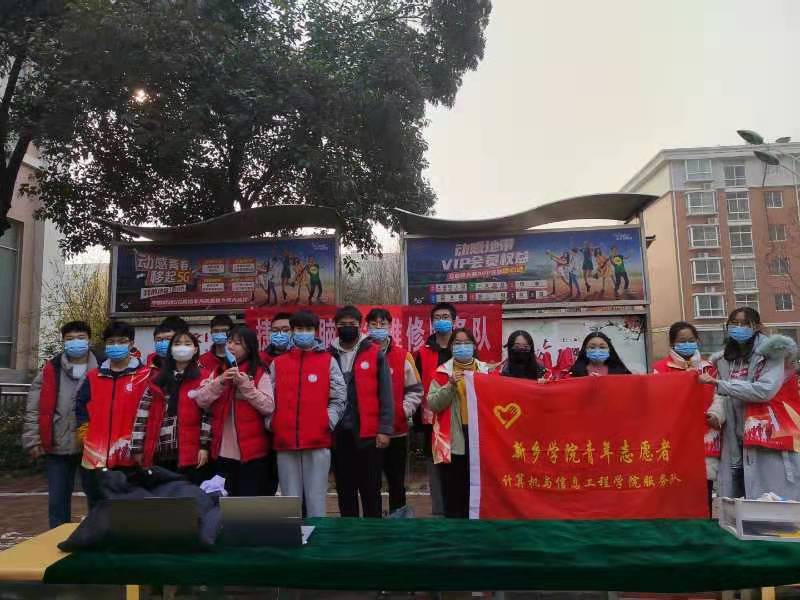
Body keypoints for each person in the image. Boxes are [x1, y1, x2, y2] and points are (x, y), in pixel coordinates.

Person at [701, 308, 800, 500]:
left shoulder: (773, 353)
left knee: (772, 498)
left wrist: (721, 384)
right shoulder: (723, 359)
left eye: (745, 323)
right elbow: (721, 396)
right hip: (734, 438)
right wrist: (716, 414)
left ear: (757, 326)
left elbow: (764, 391)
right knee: (739, 499)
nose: (739, 328)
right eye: (734, 323)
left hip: (769, 434)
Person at [269, 311, 347, 517]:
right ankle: (292, 534)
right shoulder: (278, 363)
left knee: (316, 498)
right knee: (290, 500)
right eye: (299, 329)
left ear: (316, 331)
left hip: (318, 441)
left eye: (308, 329)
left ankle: (318, 535)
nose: (304, 333)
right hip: (285, 442)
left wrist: (327, 421)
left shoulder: (327, 360)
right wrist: (272, 422)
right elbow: (268, 398)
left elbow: (340, 396)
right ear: (292, 331)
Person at [22, 321, 100, 528]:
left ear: (89, 340)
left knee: (98, 500)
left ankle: (98, 539)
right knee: (57, 503)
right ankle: (57, 541)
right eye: (70, 339)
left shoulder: (103, 367)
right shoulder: (51, 369)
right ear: (63, 342)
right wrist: (33, 439)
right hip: (58, 444)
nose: (76, 342)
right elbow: (34, 407)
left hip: (93, 446)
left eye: (81, 338)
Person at [75, 321, 153, 505]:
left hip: (130, 459)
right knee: (97, 510)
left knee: (128, 512)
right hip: (95, 459)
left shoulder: (145, 376)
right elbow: (80, 406)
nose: (116, 345)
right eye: (111, 342)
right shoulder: (93, 376)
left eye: (122, 341)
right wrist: (85, 434)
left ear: (131, 344)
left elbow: (153, 413)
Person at [329, 305, 394, 518]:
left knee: (370, 489)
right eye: (343, 324)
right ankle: (349, 531)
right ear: (335, 326)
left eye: (352, 324)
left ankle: (373, 531)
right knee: (345, 488)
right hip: (338, 434)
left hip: (368, 433)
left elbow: (386, 394)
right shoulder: (327, 355)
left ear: (360, 326)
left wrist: (385, 429)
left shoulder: (374, 353)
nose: (347, 328)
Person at [194, 325, 274, 496]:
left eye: (237, 343)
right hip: (221, 452)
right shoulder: (218, 371)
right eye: (229, 342)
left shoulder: (260, 372)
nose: (231, 347)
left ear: (249, 348)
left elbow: (268, 407)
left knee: (248, 504)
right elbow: (201, 400)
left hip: (252, 454)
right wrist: (220, 381)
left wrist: (246, 387)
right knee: (223, 503)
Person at [652, 321, 718, 515]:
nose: (687, 344)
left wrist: (716, 415)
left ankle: (702, 528)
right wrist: (686, 380)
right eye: (682, 341)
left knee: (703, 490)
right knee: (674, 492)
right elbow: (657, 400)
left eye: (691, 340)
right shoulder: (660, 368)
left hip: (704, 435)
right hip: (675, 439)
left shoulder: (709, 368)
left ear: (697, 340)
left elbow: (720, 396)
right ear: (672, 343)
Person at [131, 330, 213, 484]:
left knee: (190, 495)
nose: (182, 347)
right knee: (165, 495)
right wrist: (137, 447)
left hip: (192, 453)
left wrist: (204, 447)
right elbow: (142, 414)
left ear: (195, 349)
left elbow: (208, 415)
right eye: (177, 344)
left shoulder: (205, 377)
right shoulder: (157, 380)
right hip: (161, 452)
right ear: (171, 349)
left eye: (187, 344)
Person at [427, 328, 490, 518]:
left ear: (474, 346)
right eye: (458, 343)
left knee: (478, 488)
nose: (463, 347)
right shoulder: (443, 372)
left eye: (466, 343)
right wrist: (450, 385)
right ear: (451, 347)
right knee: (454, 490)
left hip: (481, 437)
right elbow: (433, 404)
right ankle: (455, 527)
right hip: (454, 438)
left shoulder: (486, 371)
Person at [366, 308, 423, 514]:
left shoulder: (403, 355)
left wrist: (401, 411)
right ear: (366, 327)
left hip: (396, 431)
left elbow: (416, 390)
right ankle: (373, 523)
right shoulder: (360, 354)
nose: (378, 327)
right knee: (370, 483)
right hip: (367, 432)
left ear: (390, 326)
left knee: (396, 483)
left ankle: (398, 521)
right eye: (373, 324)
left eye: (382, 324)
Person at [414, 302, 457, 517]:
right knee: (435, 467)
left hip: (459, 419)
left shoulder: (463, 349)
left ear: (454, 321)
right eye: (438, 317)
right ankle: (439, 513)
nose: (442, 321)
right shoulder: (422, 353)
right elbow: (416, 388)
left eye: (446, 317)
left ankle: (459, 512)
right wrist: (418, 424)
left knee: (458, 465)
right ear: (432, 323)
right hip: (432, 420)